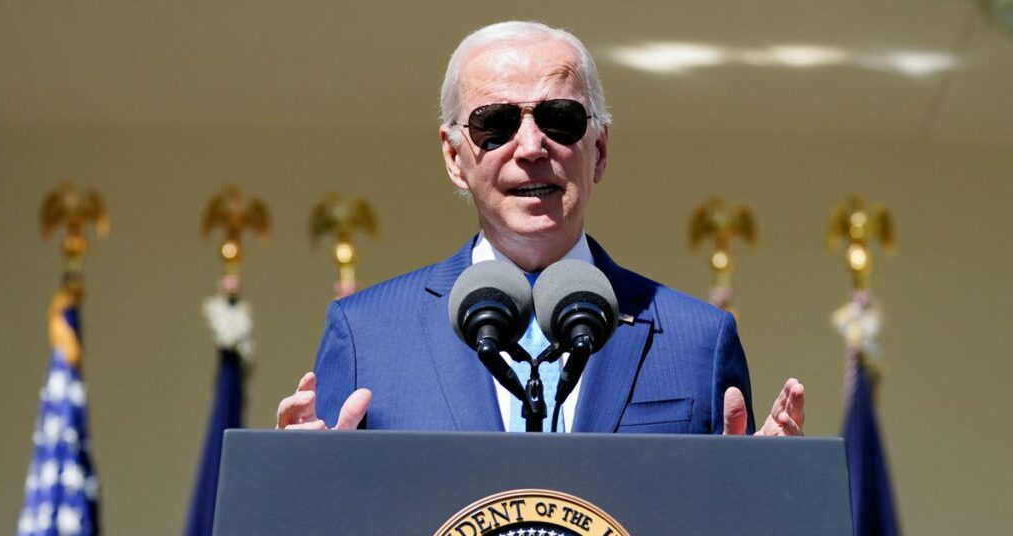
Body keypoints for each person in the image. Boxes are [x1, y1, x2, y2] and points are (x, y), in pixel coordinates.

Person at [277, 21, 804, 437]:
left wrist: (758, 492)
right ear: (454, 156)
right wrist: (299, 486)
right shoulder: (366, 333)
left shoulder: (699, 340)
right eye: (495, 124)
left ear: (598, 150)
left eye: (560, 119)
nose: (531, 147)